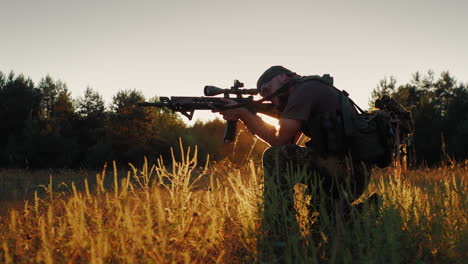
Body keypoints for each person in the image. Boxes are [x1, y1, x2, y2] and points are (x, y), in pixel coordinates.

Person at [218, 66, 372, 261]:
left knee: (275, 157)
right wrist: (248, 114)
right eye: (264, 95)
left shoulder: (305, 90)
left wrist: (245, 115)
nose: (269, 99)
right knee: (323, 233)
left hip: (346, 171)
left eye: (267, 90)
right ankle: (359, 215)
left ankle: (280, 237)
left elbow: (280, 144)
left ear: (283, 77)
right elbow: (288, 142)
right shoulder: (306, 91)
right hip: (345, 173)